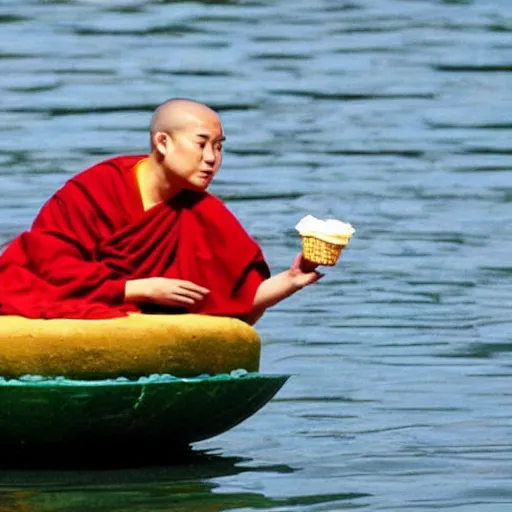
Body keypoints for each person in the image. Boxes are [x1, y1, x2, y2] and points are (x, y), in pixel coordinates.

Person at [0, 98, 322, 324]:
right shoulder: (95, 189)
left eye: (219, 146)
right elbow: (47, 266)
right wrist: (137, 288)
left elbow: (236, 298)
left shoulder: (204, 211)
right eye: (201, 144)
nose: (212, 158)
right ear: (163, 142)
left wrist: (293, 279)